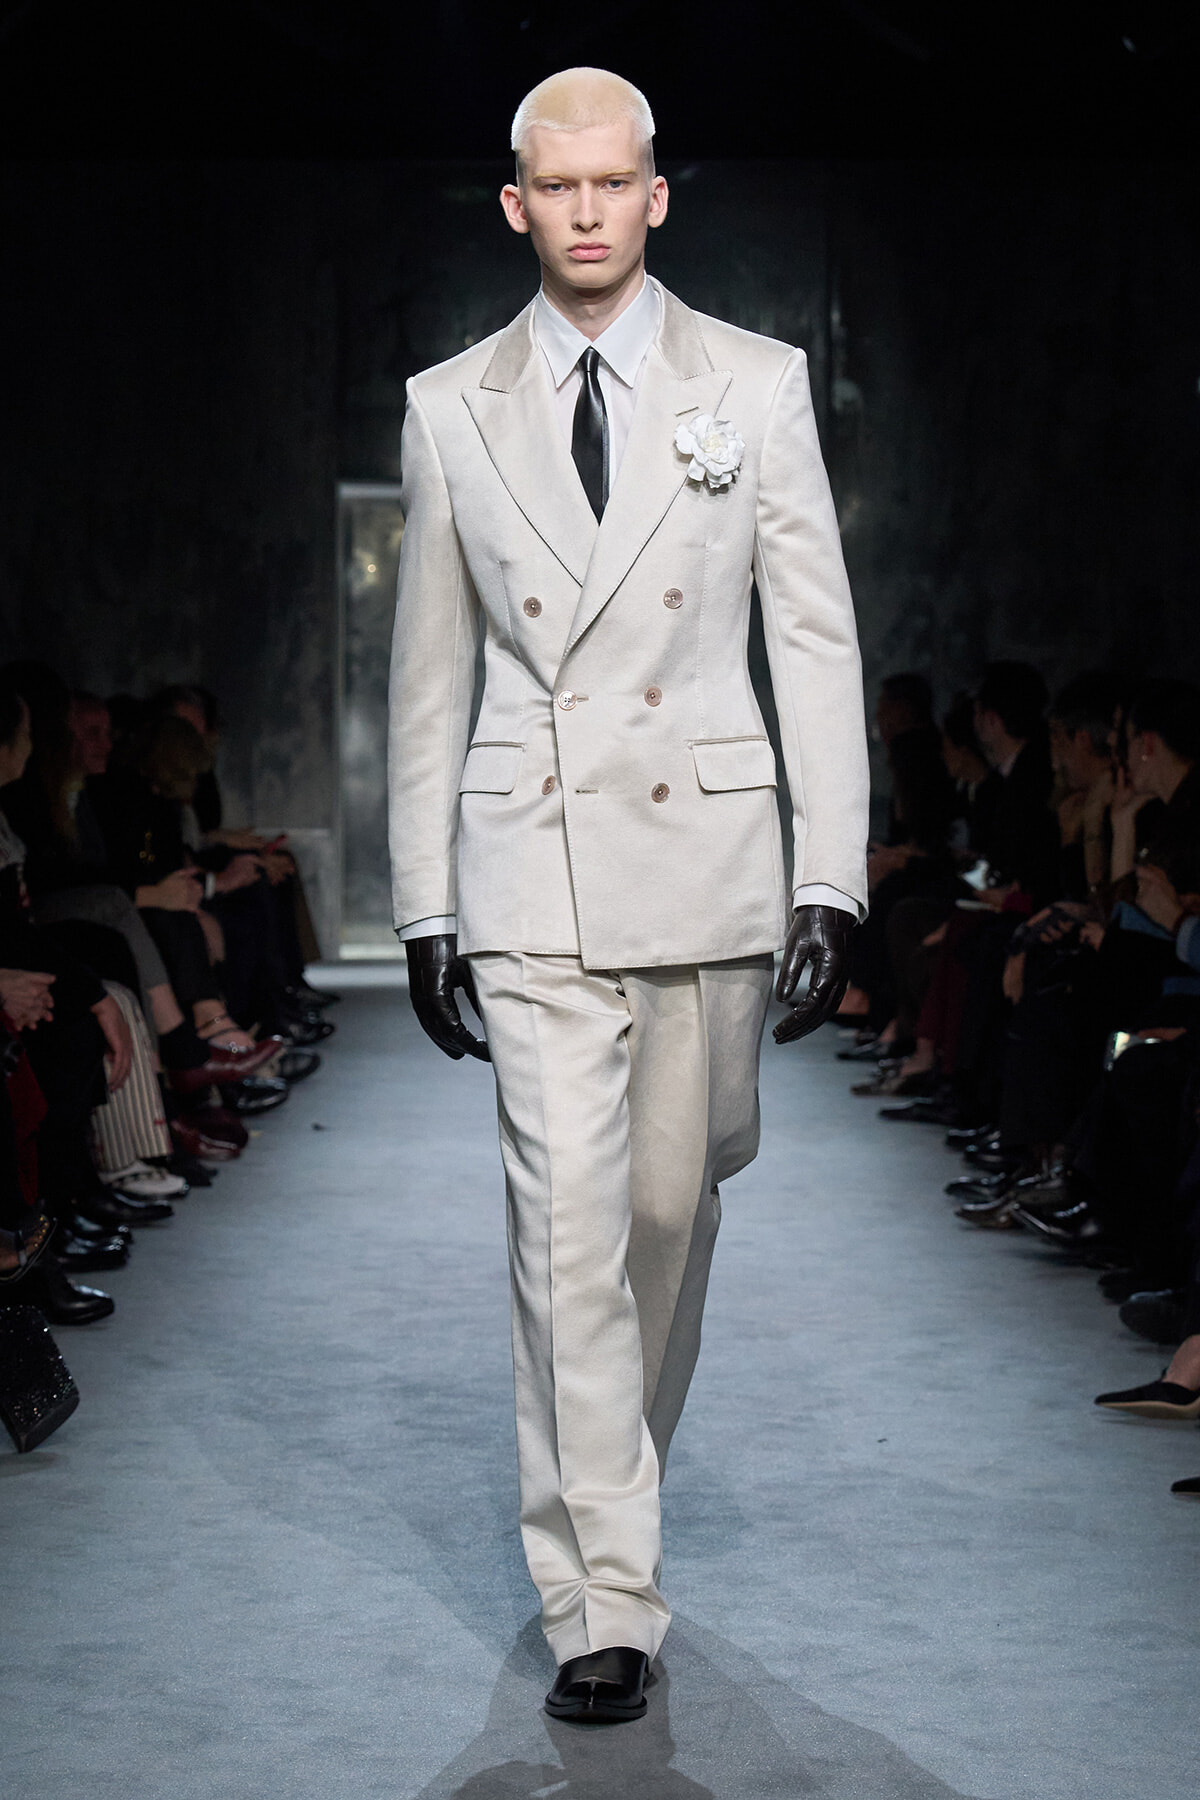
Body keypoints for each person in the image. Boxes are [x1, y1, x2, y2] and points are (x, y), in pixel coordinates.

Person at [387, 68, 869, 1724]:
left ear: (658, 196)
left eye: (616, 182)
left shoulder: (761, 381)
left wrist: (834, 872)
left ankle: (611, 1484)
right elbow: (430, 669)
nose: (588, 209)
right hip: (533, 863)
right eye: (556, 185)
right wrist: (426, 902)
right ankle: (604, 1594)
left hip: (711, 865)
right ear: (514, 204)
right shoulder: (449, 405)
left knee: (670, 1209)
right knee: (565, 1231)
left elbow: (810, 633)